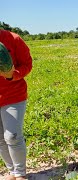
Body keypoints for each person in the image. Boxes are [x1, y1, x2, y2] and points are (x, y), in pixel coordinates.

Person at [0, 30, 32, 180]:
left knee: (12, 136)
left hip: (13, 95)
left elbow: (27, 64)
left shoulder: (13, 39)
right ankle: (12, 171)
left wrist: (13, 75)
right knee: (0, 138)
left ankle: (20, 173)